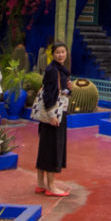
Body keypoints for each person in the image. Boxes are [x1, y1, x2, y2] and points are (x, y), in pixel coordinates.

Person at [35, 41, 74, 196]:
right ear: (53, 54)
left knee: (45, 148)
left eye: (63, 52)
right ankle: (51, 186)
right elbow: (48, 94)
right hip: (54, 115)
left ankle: (40, 184)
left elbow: (60, 92)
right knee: (52, 148)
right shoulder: (53, 70)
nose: (60, 55)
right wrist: (52, 116)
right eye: (57, 52)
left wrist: (69, 89)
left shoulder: (60, 70)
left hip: (53, 114)